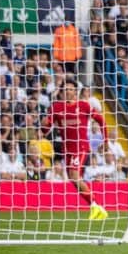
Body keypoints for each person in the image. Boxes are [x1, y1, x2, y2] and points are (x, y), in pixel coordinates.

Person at [41, 78, 109, 220]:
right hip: (67, 149)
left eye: (71, 89)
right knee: (73, 179)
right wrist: (44, 124)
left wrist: (106, 140)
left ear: (76, 92)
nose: (68, 91)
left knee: (74, 176)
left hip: (81, 146)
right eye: (65, 89)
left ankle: (98, 206)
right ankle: (95, 207)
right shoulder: (56, 108)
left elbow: (101, 120)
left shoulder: (84, 106)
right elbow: (45, 130)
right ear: (61, 92)